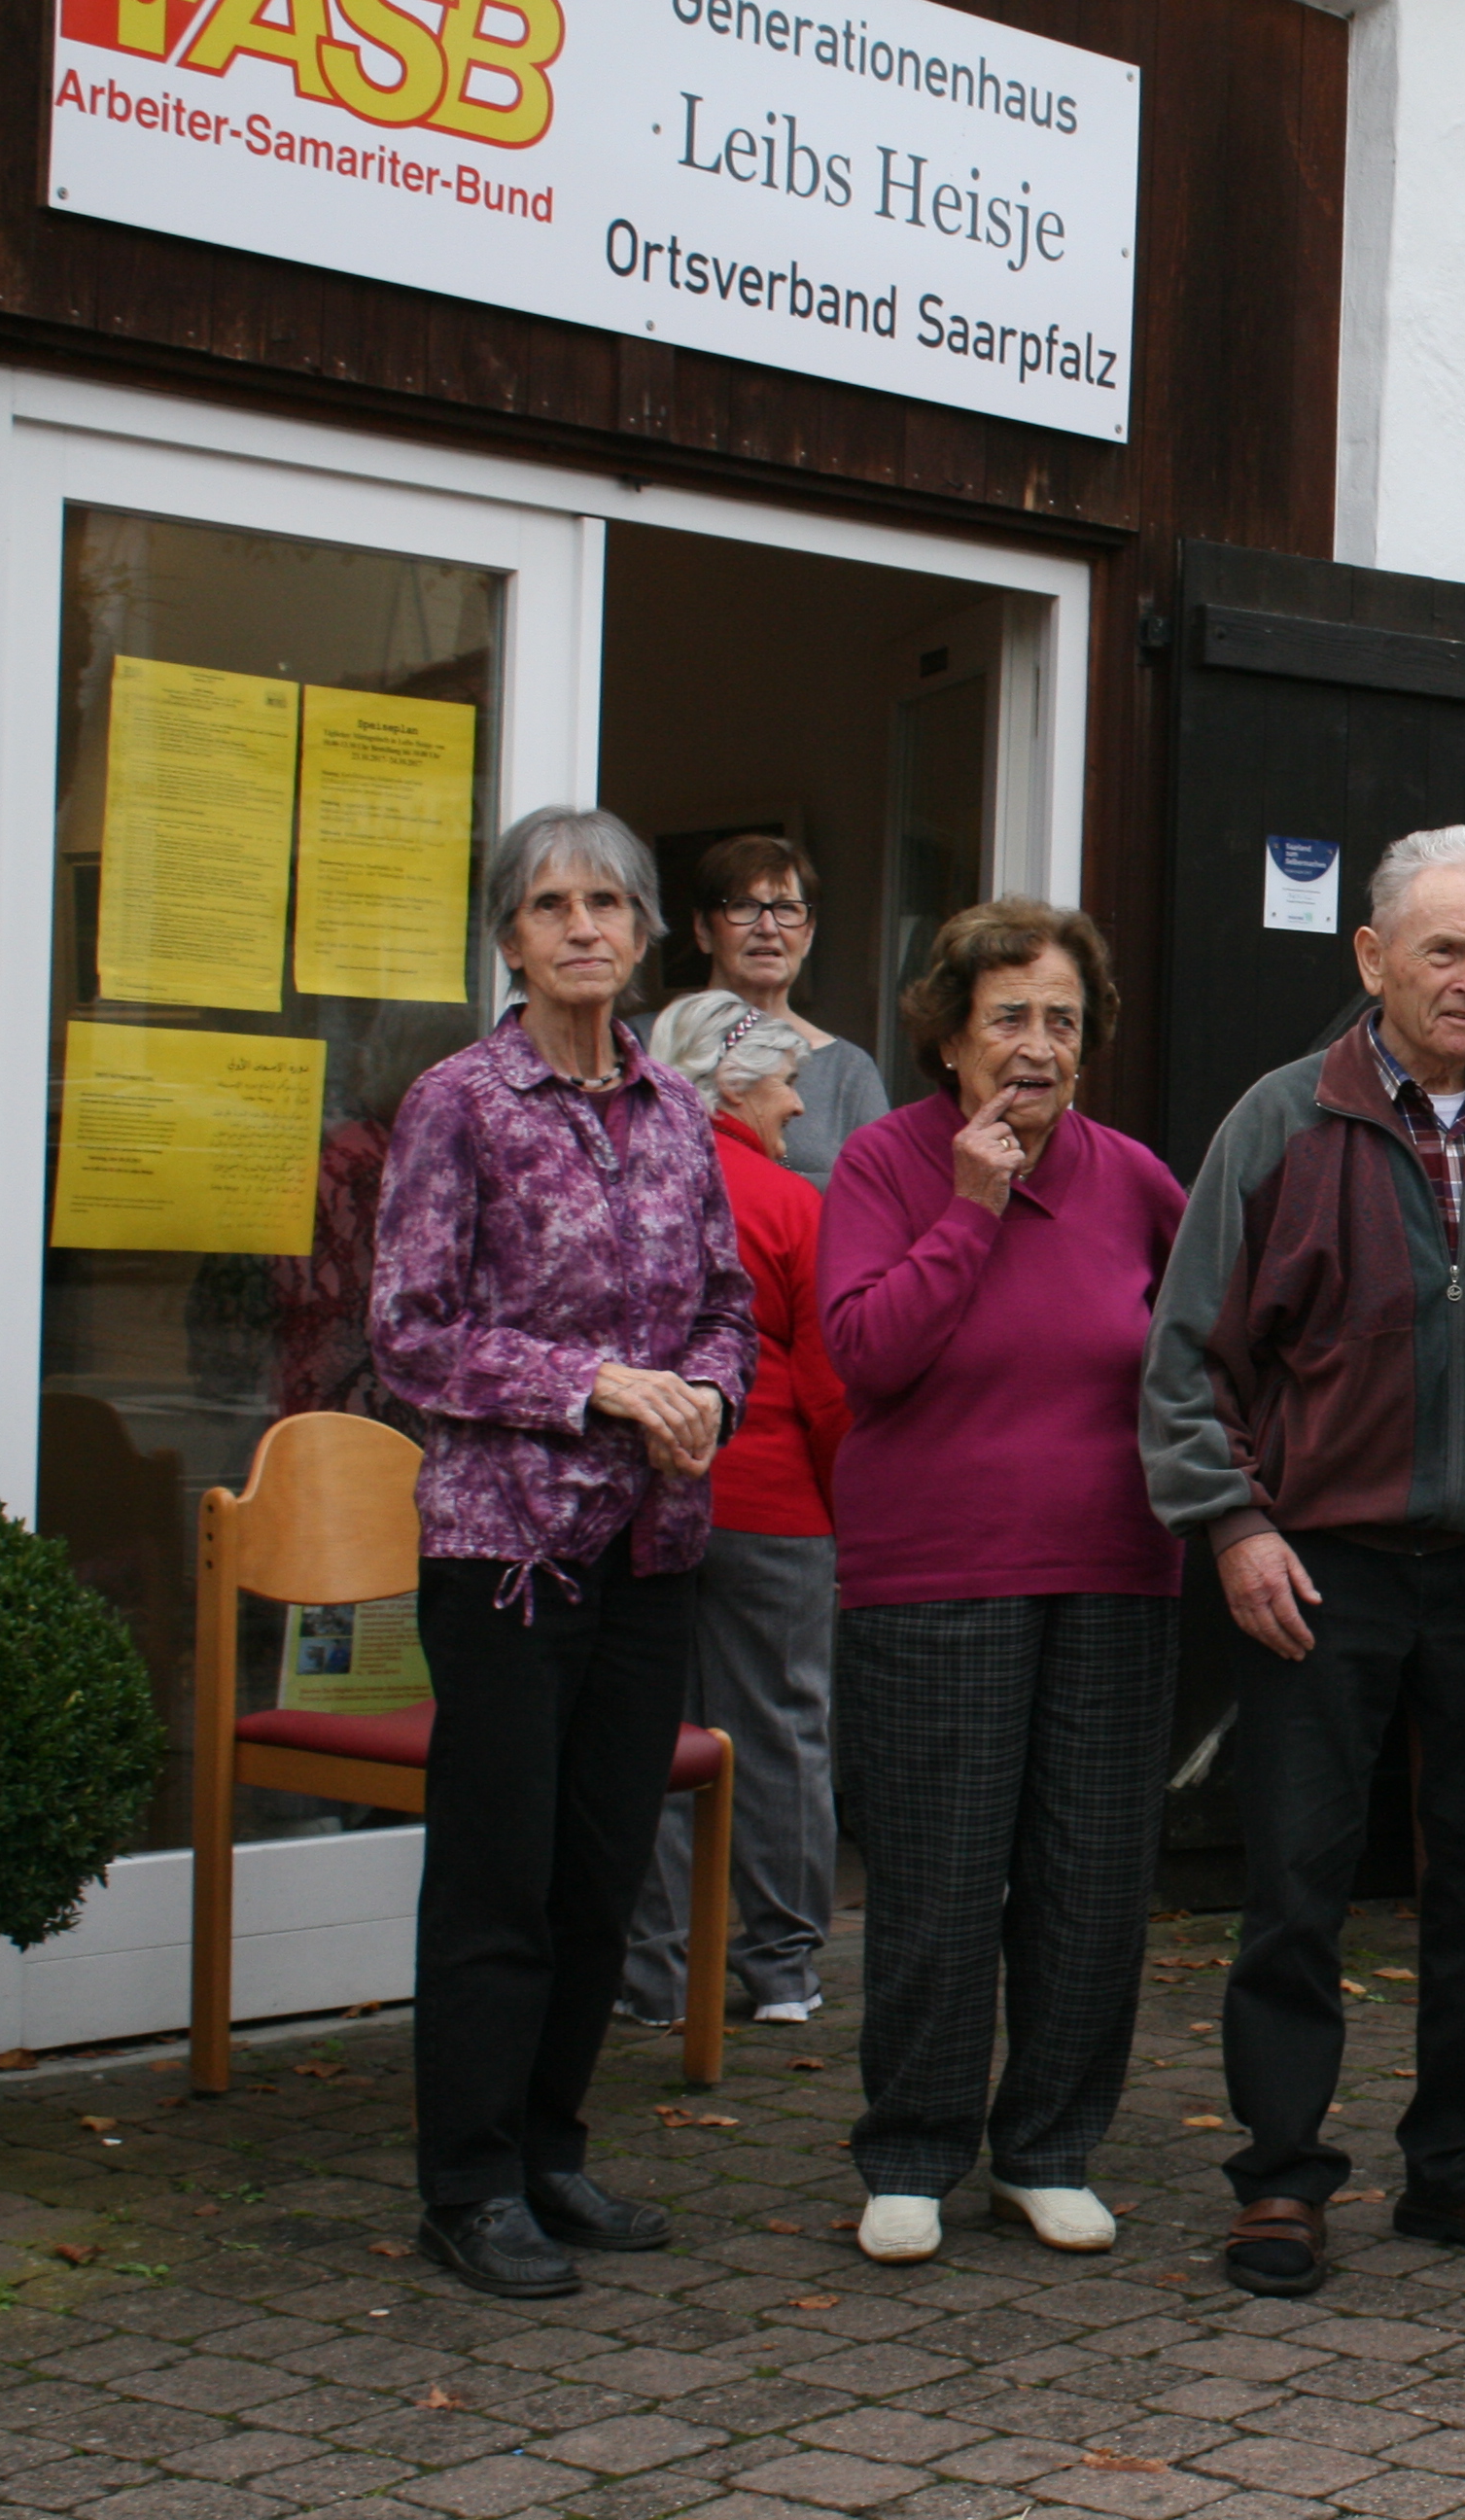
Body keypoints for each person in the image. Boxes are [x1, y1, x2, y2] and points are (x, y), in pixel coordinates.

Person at [1141, 826, 1465, 2300]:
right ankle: (1281, 2181)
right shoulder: (1281, 1122)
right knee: (1296, 1883)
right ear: (1373, 958)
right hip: (1323, 1570)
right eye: (1444, 950)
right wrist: (1233, 1529)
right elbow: (1184, 1364)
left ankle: (1462, 2169)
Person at [367, 806, 756, 2300]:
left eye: (609, 901)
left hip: (651, 1547)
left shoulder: (676, 1111)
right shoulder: (459, 1103)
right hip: (504, 1555)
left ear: (649, 933)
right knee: (500, 1879)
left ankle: (547, 2149)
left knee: (601, 1871)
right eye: (550, 904)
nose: (582, 925)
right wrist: (590, 1383)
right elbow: (408, 1337)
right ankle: (464, 2185)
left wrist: (711, 1394)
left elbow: (729, 1303)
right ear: (510, 938)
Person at [820, 899, 1185, 2267]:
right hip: (935, 1576)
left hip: (1115, 1571)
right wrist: (972, 1207)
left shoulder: (1136, 1177)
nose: (1038, 1049)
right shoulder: (884, 1164)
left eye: (1064, 1023)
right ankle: (911, 2152)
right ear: (952, 1039)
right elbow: (869, 1353)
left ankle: (1048, 2148)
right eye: (1011, 1020)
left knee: (1088, 1881)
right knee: (940, 1877)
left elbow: (1209, 1340)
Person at [617, 993, 852, 2031]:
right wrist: (853, 1509)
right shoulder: (794, 1206)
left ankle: (653, 1974)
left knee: (647, 1728)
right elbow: (830, 1383)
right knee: (782, 1729)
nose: (799, 1106)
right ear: (734, 1084)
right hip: (776, 1506)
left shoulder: (633, 1195)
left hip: (646, 1503)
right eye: (784, 1080)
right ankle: (782, 1970)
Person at [690, 833, 888, 1187]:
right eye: (743, 906)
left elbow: (881, 1201)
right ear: (703, 929)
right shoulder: (644, 1046)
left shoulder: (849, 1071)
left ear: (808, 935)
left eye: (787, 909)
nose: (767, 927)